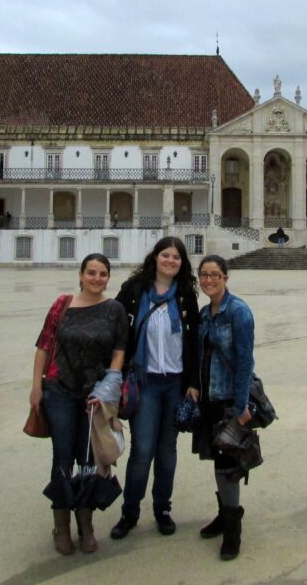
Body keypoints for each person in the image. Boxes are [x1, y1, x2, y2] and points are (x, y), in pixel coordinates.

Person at [30, 253, 128, 555]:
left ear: (109, 277)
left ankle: (85, 525)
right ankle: (61, 526)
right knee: (62, 458)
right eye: (91, 273)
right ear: (81, 275)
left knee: (88, 460)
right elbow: (44, 346)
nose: (97, 279)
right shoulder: (62, 304)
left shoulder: (115, 310)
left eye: (102, 274)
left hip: (93, 397)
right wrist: (36, 387)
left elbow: (118, 354)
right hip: (59, 391)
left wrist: (107, 391)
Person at [110, 236, 200, 540]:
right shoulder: (135, 290)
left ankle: (162, 507)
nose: (171, 261)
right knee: (142, 449)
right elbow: (116, 330)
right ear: (156, 257)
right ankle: (130, 511)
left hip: (175, 383)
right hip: (144, 381)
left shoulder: (186, 294)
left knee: (167, 449)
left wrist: (193, 383)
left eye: (176, 257)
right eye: (166, 255)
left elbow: (195, 341)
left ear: (182, 262)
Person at [193, 254, 256, 561]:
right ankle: (224, 513)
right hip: (209, 397)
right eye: (204, 275)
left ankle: (233, 529)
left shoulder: (239, 311)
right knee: (219, 460)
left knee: (230, 464)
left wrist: (242, 404)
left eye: (215, 275)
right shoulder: (206, 313)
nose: (209, 280)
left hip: (230, 399)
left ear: (225, 278)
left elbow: (245, 361)